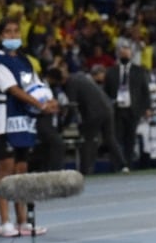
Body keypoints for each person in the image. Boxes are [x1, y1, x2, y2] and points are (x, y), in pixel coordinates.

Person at [0, 17, 58, 238]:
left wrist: (50, 100)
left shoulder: (25, 60)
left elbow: (36, 84)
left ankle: (23, 222)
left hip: (24, 120)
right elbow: (14, 89)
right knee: (5, 169)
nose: (12, 36)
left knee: (21, 170)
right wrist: (39, 105)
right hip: (5, 118)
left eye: (16, 31)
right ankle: (4, 221)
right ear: (0, 36)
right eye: (8, 32)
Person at [48, 65, 127, 174]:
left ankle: (85, 170)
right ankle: (122, 165)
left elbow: (72, 107)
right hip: (107, 108)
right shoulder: (79, 76)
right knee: (109, 138)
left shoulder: (70, 84)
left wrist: (63, 125)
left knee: (87, 141)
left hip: (93, 112)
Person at [105, 40, 150, 171]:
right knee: (116, 138)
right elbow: (106, 91)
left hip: (133, 109)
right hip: (117, 109)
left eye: (127, 51)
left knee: (130, 138)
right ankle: (116, 165)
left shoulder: (139, 71)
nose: (125, 53)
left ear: (131, 54)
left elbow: (144, 91)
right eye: (122, 51)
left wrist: (147, 108)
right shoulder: (111, 72)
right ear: (118, 54)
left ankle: (128, 164)